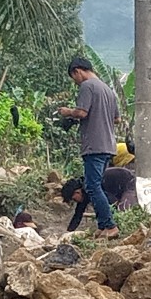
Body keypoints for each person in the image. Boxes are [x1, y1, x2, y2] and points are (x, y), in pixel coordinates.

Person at [58, 57, 120, 239]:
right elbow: (117, 119)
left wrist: (67, 112)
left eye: (73, 77)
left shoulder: (87, 86)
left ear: (78, 71)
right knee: (97, 185)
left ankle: (110, 225)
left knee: (92, 187)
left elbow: (82, 112)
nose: (75, 82)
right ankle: (102, 226)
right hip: (108, 145)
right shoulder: (108, 90)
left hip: (94, 144)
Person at [62, 167, 138, 233]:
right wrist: (68, 232)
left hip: (128, 181)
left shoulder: (91, 188)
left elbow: (111, 202)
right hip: (116, 187)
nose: (76, 202)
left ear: (77, 192)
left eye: (74, 199)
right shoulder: (85, 191)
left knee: (124, 210)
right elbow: (78, 215)